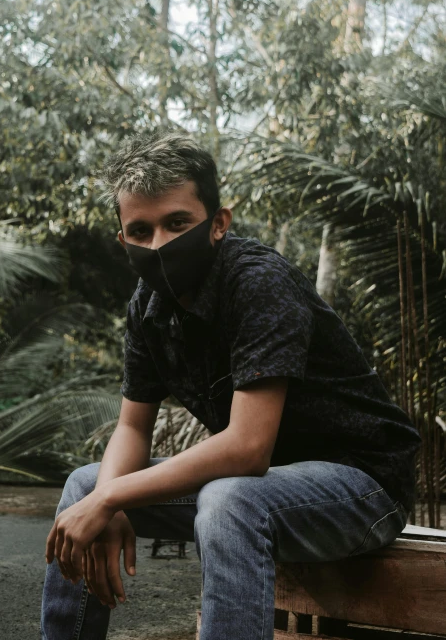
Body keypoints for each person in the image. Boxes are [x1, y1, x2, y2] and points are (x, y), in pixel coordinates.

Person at [40, 131, 421, 640]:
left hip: (364, 486)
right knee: (83, 487)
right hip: (267, 486)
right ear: (123, 240)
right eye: (140, 231)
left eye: (177, 223)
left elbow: (247, 448)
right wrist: (105, 496)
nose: (160, 245)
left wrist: (113, 500)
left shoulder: (258, 282)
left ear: (218, 223)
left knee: (229, 499)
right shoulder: (147, 307)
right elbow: (133, 425)